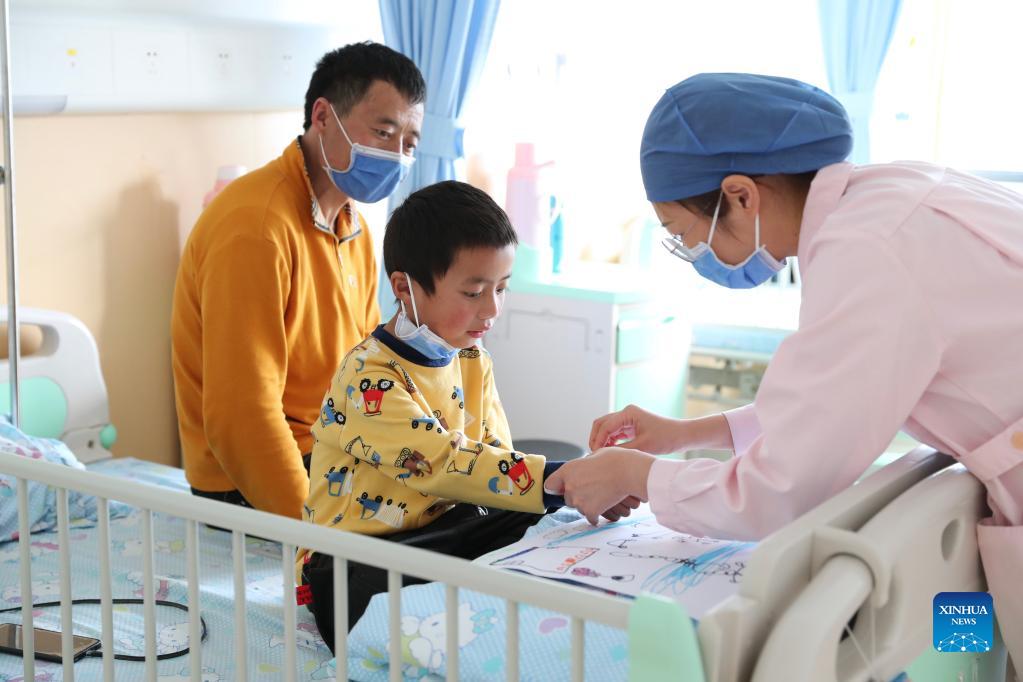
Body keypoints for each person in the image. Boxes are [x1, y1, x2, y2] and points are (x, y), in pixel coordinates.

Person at [544, 72, 1023, 666]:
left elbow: (778, 492)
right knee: (967, 655)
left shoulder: (867, 253)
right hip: (981, 489)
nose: (694, 255)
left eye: (683, 235)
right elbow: (834, 401)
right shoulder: (893, 194)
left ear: (741, 196)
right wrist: (686, 434)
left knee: (959, 652)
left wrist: (637, 474)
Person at [297, 181, 637, 648]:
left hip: (445, 533)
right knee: (529, 517)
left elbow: (494, 459)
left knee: (542, 523)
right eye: (474, 292)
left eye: (502, 288)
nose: (492, 309)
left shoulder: (472, 359)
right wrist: (563, 479)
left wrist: (579, 490)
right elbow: (441, 463)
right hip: (358, 560)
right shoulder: (368, 377)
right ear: (404, 287)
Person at [171, 43, 425, 519]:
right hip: (251, 481)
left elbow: (364, 369)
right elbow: (243, 418)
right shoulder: (256, 228)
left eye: (408, 145)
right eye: (383, 133)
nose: (395, 156)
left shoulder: (351, 224)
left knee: (467, 508)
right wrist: (312, 532)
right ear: (323, 117)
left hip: (334, 453)